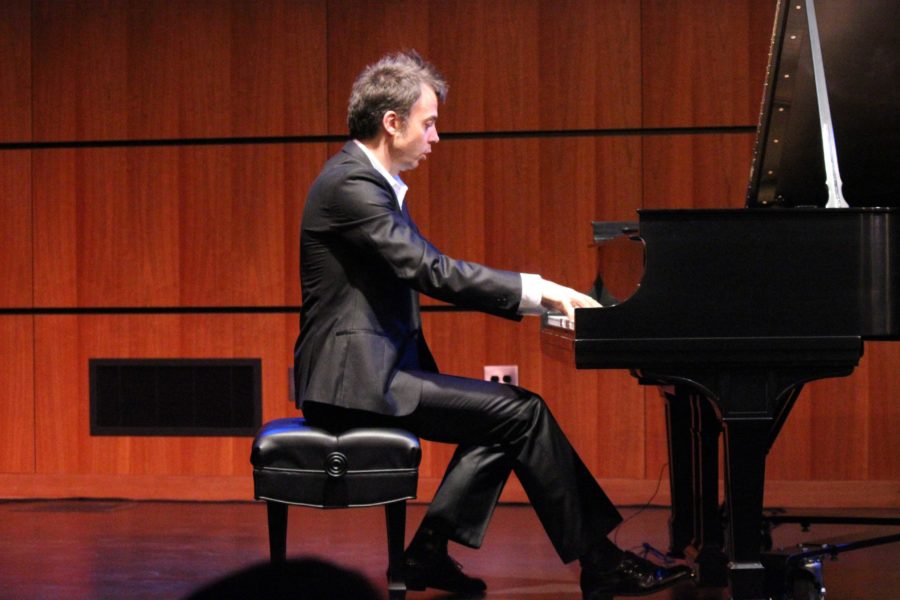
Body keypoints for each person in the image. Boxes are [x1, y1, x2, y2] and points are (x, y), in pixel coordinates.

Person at [292, 50, 692, 599]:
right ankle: (599, 564)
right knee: (521, 413)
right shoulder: (351, 185)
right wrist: (538, 289)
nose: (435, 137)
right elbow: (428, 269)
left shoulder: (365, 182)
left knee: (509, 418)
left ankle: (430, 552)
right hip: (352, 384)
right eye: (428, 122)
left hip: (371, 374)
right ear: (392, 122)